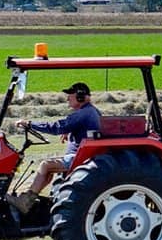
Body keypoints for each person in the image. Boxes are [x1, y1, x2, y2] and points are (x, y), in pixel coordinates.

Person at [6, 81, 101, 213]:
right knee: (49, 169)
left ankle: (26, 201)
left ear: (80, 97)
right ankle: (32, 198)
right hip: (82, 155)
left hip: (80, 158)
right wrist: (69, 131)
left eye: (70, 95)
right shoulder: (91, 111)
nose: (67, 98)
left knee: (45, 165)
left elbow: (56, 127)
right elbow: (76, 127)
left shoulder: (82, 114)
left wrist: (30, 124)